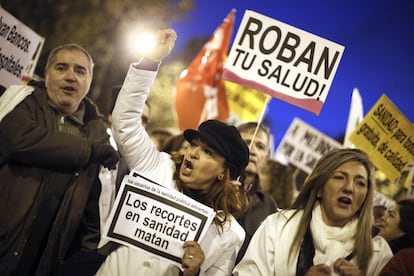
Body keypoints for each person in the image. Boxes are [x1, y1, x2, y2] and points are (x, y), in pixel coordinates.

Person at [96, 28, 250, 275]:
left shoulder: (229, 234)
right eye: (194, 145)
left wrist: (193, 273)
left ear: (224, 172)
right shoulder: (157, 167)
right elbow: (124, 123)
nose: (193, 153)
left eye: (208, 152)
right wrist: (149, 62)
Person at [0, 43, 119, 275]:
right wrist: (88, 152)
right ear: (46, 75)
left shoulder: (97, 133)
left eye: (80, 71)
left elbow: (93, 213)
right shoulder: (23, 102)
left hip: (49, 260)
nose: (70, 76)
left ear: (89, 81)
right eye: (61, 68)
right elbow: (18, 140)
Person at [233, 148, 393, 276]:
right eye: (339, 177)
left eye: (360, 183)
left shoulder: (378, 253)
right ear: (319, 188)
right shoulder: (279, 226)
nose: (349, 188)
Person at [235, 122, 278, 264]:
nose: (253, 151)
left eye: (260, 147)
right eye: (247, 142)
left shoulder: (270, 206)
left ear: (266, 158)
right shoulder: (212, 185)